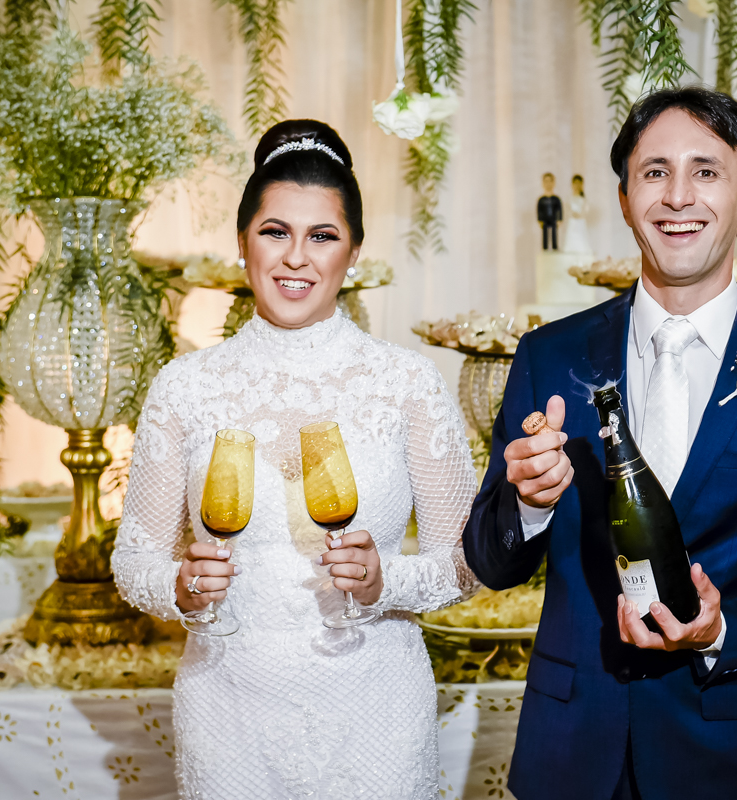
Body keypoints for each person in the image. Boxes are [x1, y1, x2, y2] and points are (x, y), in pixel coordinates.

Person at [463, 87, 737, 799]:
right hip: (571, 756)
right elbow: (489, 563)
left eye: (706, 171)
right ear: (624, 198)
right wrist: (526, 505)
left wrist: (721, 628)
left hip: (729, 753)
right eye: (654, 172)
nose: (678, 196)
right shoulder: (548, 357)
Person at [112, 119, 478, 800]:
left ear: (355, 253)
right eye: (275, 232)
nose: (296, 258)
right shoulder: (185, 386)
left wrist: (382, 583)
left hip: (375, 712)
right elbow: (134, 560)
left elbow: (467, 562)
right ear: (243, 242)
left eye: (323, 236)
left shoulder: (407, 382)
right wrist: (181, 589)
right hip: (227, 712)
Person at [562, 174, 592, 255]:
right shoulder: (569, 198)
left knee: (581, 239)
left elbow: (586, 210)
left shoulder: (583, 199)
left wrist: (580, 215)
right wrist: (572, 214)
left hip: (581, 222)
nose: (577, 185)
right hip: (572, 223)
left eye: (579, 183)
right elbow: (566, 209)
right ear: (572, 184)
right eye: (575, 183)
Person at [537, 172, 563, 250]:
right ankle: (545, 247)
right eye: (546, 181)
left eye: (550, 181)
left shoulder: (556, 199)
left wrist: (559, 219)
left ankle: (555, 246)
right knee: (545, 233)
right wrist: (540, 219)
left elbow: (559, 209)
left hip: (553, 219)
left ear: (553, 183)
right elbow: (539, 210)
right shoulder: (541, 199)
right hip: (545, 220)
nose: (548, 184)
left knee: (554, 233)